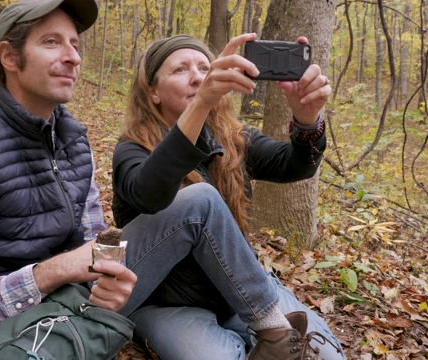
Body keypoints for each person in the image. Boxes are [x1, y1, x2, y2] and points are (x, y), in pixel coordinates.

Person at [111, 34, 345, 359]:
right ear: (153, 91)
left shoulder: (233, 138)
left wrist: (307, 119)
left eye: (204, 67)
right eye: (180, 70)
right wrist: (200, 104)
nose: (197, 76)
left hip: (239, 292)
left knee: (327, 355)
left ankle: (268, 331)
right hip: (171, 303)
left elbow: (292, 166)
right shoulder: (132, 149)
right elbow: (149, 192)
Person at [0, 0, 136, 341]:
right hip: (16, 334)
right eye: (52, 42)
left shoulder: (75, 142)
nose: (73, 58)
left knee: (194, 204)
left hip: (76, 313)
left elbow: (95, 242)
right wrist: (52, 272)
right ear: (10, 57)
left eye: (75, 45)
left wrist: (108, 280)